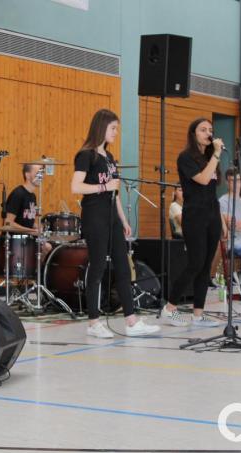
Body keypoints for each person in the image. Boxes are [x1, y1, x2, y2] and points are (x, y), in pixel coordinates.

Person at [70, 109, 160, 338]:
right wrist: (103, 187)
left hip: (111, 217)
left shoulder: (109, 159)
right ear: (101, 127)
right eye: (113, 128)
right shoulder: (86, 155)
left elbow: (115, 192)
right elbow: (76, 187)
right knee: (97, 268)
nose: (116, 133)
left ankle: (131, 321)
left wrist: (123, 219)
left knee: (123, 267)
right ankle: (93, 323)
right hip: (95, 217)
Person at [161, 118, 223, 328]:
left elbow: (213, 186)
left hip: (212, 214)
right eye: (203, 129)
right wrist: (215, 154)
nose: (208, 133)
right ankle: (169, 308)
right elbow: (203, 180)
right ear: (193, 133)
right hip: (195, 215)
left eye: (210, 130)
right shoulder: (186, 157)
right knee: (195, 263)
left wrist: (220, 220)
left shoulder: (209, 157)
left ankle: (198, 314)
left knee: (206, 266)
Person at [4, 163, 52, 259]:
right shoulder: (18, 194)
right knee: (46, 247)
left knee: (49, 247)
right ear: (27, 175)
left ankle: (39, 273)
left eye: (42, 173)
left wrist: (39, 227)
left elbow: (27, 220)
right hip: (16, 241)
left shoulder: (32, 196)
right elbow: (8, 223)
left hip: (27, 238)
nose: (41, 176)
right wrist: (31, 231)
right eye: (38, 173)